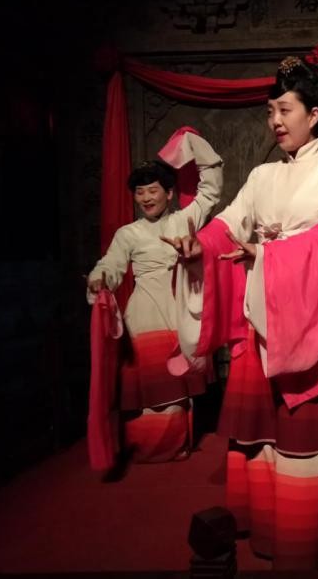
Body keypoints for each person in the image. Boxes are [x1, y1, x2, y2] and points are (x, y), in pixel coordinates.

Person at [163, 57, 318, 570]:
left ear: (314, 115)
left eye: (285, 110)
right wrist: (199, 244)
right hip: (262, 314)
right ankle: (265, 522)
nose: (275, 121)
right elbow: (231, 222)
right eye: (270, 112)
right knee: (264, 426)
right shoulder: (261, 175)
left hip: (313, 317)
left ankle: (307, 533)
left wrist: (268, 253)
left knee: (307, 427)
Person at [87, 132, 223, 463]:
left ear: (169, 193)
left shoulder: (183, 219)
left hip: (178, 310)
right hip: (144, 314)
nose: (146, 198)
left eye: (152, 190)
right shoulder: (127, 233)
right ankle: (144, 447)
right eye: (140, 192)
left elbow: (210, 190)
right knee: (147, 384)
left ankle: (177, 444)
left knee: (176, 386)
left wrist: (193, 144)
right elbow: (111, 266)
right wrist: (99, 280)